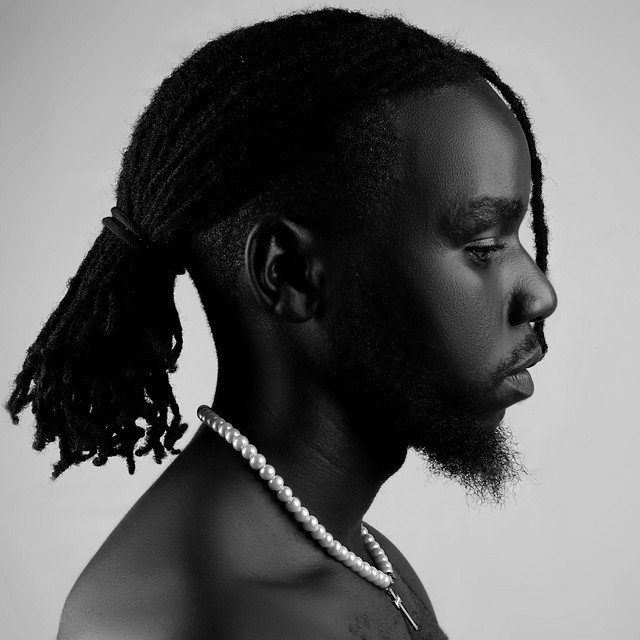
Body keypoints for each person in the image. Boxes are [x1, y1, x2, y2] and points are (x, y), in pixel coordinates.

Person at [5, 7, 558, 639]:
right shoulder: (186, 621)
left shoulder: (363, 558)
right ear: (291, 273)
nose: (540, 295)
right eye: (484, 246)